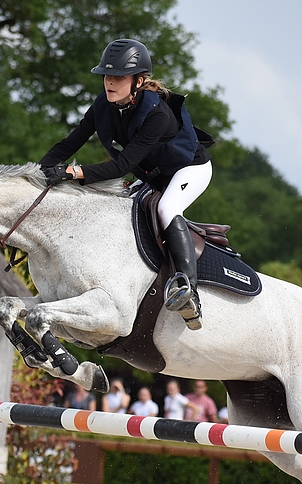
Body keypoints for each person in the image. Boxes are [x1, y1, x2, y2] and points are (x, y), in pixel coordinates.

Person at [39, 38, 214, 331]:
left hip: (189, 170)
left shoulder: (156, 114)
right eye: (107, 75)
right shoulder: (103, 106)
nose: (110, 81)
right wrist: (39, 171)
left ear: (139, 81)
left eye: (118, 76)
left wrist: (72, 173)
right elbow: (69, 143)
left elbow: (122, 166)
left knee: (168, 208)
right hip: (153, 175)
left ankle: (188, 290)